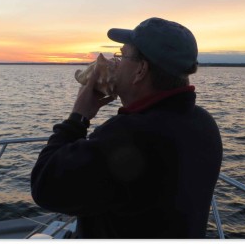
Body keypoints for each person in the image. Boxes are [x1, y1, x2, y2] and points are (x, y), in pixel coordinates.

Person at [30, 17, 223, 239]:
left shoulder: (128, 135)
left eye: (122, 56)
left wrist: (78, 118)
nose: (116, 62)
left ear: (140, 70)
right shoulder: (203, 123)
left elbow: (45, 187)